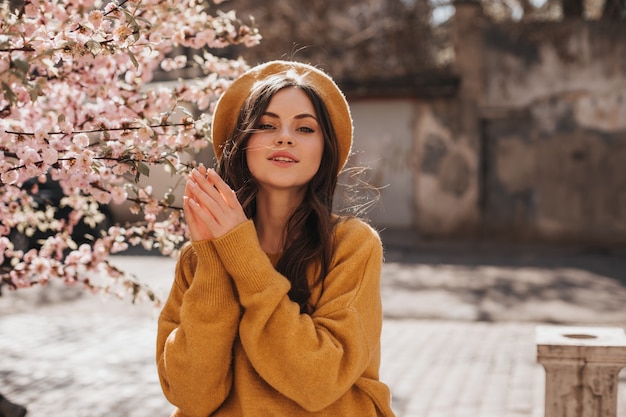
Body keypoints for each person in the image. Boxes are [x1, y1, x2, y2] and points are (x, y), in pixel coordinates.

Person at [156, 60, 396, 417]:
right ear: (241, 142)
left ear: (325, 149)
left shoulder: (351, 245)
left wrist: (240, 252)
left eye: (305, 128)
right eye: (266, 125)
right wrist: (215, 262)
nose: (284, 137)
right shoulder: (198, 258)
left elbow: (319, 380)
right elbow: (191, 396)